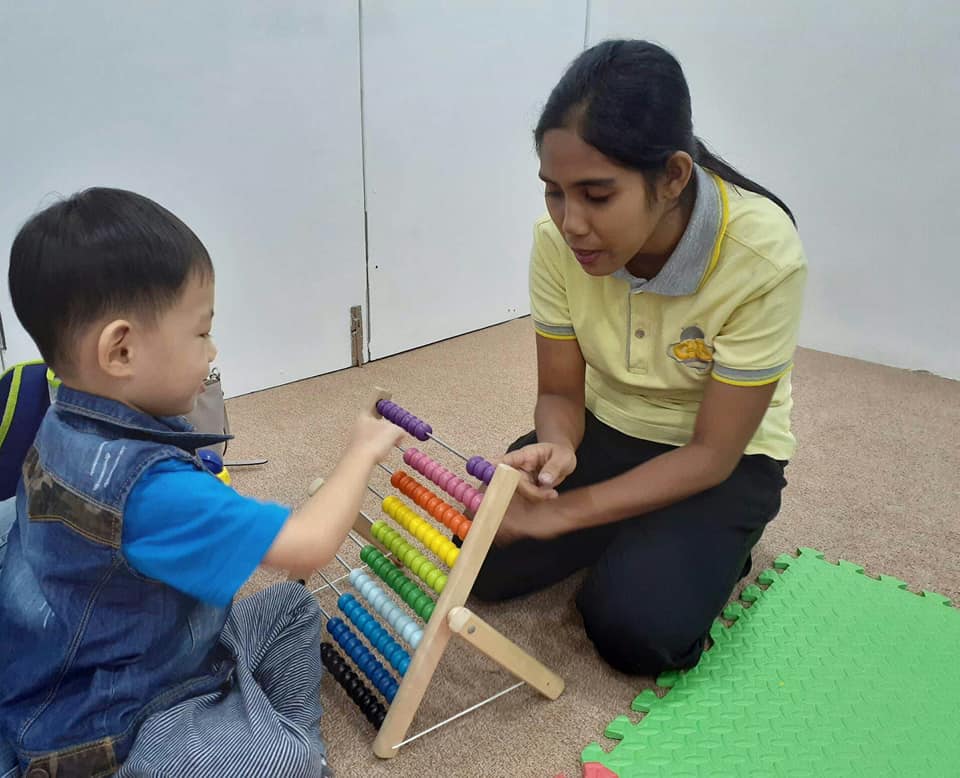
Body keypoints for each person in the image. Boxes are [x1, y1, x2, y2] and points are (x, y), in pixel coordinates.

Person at [0, 188, 403, 777]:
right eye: (200, 333)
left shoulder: (63, 413)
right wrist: (361, 451)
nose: (212, 350)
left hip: (152, 644)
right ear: (121, 349)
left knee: (293, 605)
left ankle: (261, 724)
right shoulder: (151, 490)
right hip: (117, 720)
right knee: (277, 761)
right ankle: (286, 750)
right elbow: (310, 545)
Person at [472, 40, 807, 676]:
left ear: (674, 177)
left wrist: (567, 513)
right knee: (474, 556)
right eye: (554, 192)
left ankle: (716, 544)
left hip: (722, 459)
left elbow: (713, 453)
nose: (571, 223)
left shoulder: (763, 254)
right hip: (608, 430)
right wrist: (558, 449)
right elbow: (562, 394)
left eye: (597, 195)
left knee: (636, 631)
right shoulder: (556, 244)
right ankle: (626, 525)